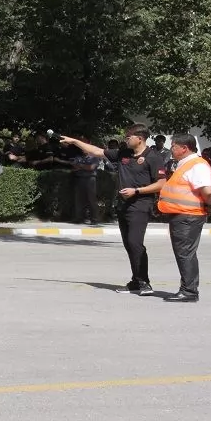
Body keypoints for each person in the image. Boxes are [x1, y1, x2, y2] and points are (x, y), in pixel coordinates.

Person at [60, 125, 166, 296]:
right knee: (129, 245)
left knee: (135, 243)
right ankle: (136, 281)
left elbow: (161, 183)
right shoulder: (123, 153)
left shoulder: (153, 157)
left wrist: (137, 191)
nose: (126, 139)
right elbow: (96, 151)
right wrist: (74, 141)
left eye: (129, 136)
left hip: (140, 204)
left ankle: (144, 282)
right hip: (123, 205)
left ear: (140, 138)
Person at [157, 134, 211, 302]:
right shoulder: (187, 164)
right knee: (185, 253)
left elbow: (207, 192)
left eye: (174, 146)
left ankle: (189, 292)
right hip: (183, 214)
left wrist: (208, 205)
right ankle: (189, 289)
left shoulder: (197, 165)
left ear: (184, 148)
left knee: (185, 253)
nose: (171, 149)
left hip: (188, 216)